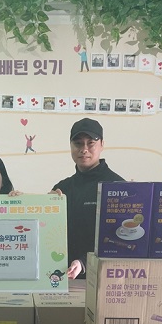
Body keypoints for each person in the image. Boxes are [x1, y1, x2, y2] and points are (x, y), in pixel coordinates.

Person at [51, 118, 125, 279]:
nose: (84, 149)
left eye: (90, 143)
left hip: (105, 278)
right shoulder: (61, 189)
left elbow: (119, 239)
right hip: (63, 276)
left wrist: (83, 262)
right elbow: (50, 234)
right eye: (78, 144)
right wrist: (46, 208)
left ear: (102, 145)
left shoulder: (118, 187)